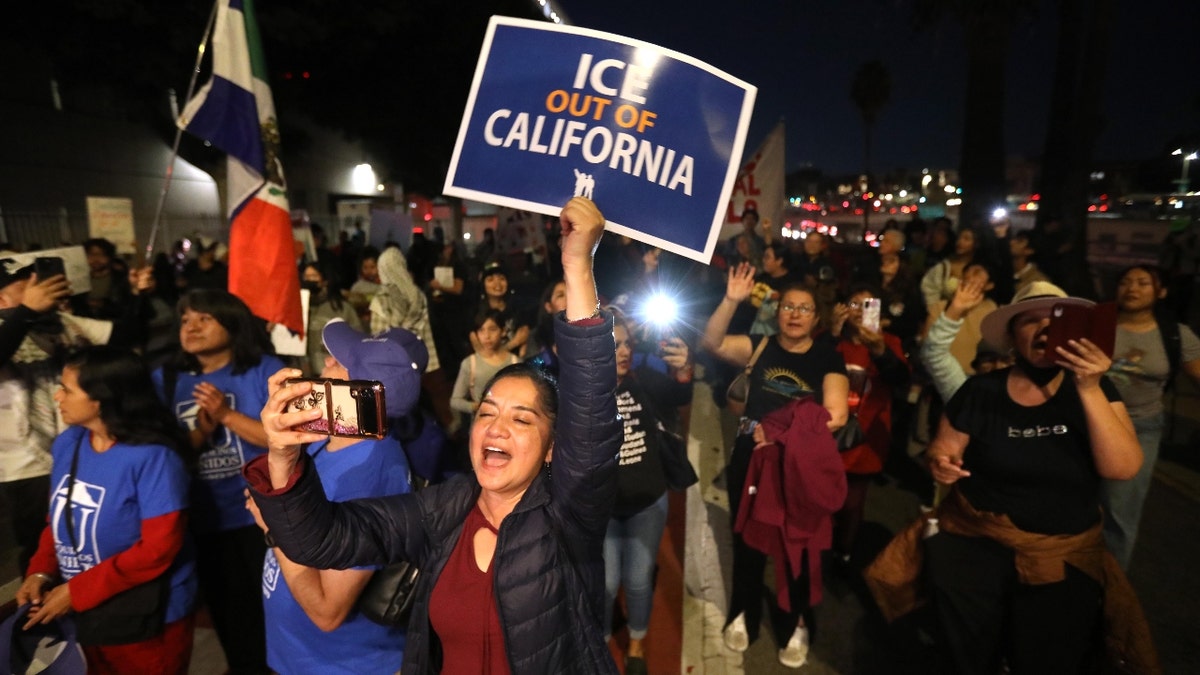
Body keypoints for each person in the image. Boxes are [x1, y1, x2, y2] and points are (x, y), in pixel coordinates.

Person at [246, 197, 621, 673]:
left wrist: (577, 265)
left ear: (553, 449)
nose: (497, 427)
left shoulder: (569, 515)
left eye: (522, 419)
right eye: (487, 412)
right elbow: (323, 541)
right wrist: (282, 456)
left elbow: (591, 410)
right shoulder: (445, 508)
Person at [871, 281, 1151, 674]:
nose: (1044, 329)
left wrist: (1087, 388)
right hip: (974, 548)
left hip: (1061, 558)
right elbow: (942, 449)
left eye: (1056, 320)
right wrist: (941, 463)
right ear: (1011, 337)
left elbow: (1123, 468)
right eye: (1030, 321)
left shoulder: (1098, 388)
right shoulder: (981, 390)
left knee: (1046, 658)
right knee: (968, 655)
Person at [246, 319, 423, 675]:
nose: (324, 363)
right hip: (300, 655)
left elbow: (328, 611)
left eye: (338, 362)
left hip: (341, 664)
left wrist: (273, 526)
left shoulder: (372, 472)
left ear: (362, 394)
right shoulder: (327, 441)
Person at [702, 262, 849, 668]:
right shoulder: (761, 346)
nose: (795, 315)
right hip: (751, 460)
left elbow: (836, 414)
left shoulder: (826, 357)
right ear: (777, 311)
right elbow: (711, 342)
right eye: (788, 307)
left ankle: (795, 623)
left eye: (804, 309)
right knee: (748, 543)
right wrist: (731, 301)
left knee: (795, 548)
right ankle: (743, 612)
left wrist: (780, 431)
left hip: (798, 467)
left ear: (817, 318)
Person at [17, 346, 197, 675]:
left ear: (101, 398)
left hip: (145, 616)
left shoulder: (153, 457)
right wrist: (40, 571)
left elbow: (158, 549)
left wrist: (77, 590)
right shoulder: (69, 443)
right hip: (86, 612)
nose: (57, 397)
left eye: (67, 389)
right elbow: (58, 518)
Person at [155, 289, 282, 675]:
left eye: (204, 319)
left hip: (261, 516)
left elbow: (282, 437)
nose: (191, 328)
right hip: (204, 518)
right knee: (229, 614)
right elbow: (162, 455)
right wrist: (198, 435)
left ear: (231, 322)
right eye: (185, 320)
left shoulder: (263, 370)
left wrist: (226, 415)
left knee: (275, 611)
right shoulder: (167, 379)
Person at [604, 317, 693, 675]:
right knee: (606, 582)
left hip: (648, 503)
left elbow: (680, 393)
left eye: (627, 343)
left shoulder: (646, 381)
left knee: (639, 580)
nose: (624, 351)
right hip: (601, 510)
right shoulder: (574, 392)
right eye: (613, 345)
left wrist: (684, 367)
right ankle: (600, 637)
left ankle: (637, 642)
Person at [1102, 265, 1200, 569]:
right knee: (1074, 504)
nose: (1132, 288)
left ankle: (1112, 592)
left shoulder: (1175, 335)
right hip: (1089, 424)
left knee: (1121, 513)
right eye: (1125, 281)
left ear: (1161, 292)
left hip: (1140, 428)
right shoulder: (1097, 324)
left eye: (1143, 283)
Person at [829, 285, 910, 563]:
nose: (860, 311)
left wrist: (879, 350)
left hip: (864, 441)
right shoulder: (832, 339)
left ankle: (844, 553)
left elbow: (900, 379)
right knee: (820, 496)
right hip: (826, 436)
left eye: (868, 305)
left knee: (852, 504)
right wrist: (832, 333)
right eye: (854, 303)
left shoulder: (889, 342)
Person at [299, 259, 363, 375]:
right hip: (305, 371)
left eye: (313, 276)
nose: (308, 280)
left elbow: (358, 341)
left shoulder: (342, 308)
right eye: (306, 276)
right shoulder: (299, 307)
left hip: (332, 373)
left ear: (325, 280)